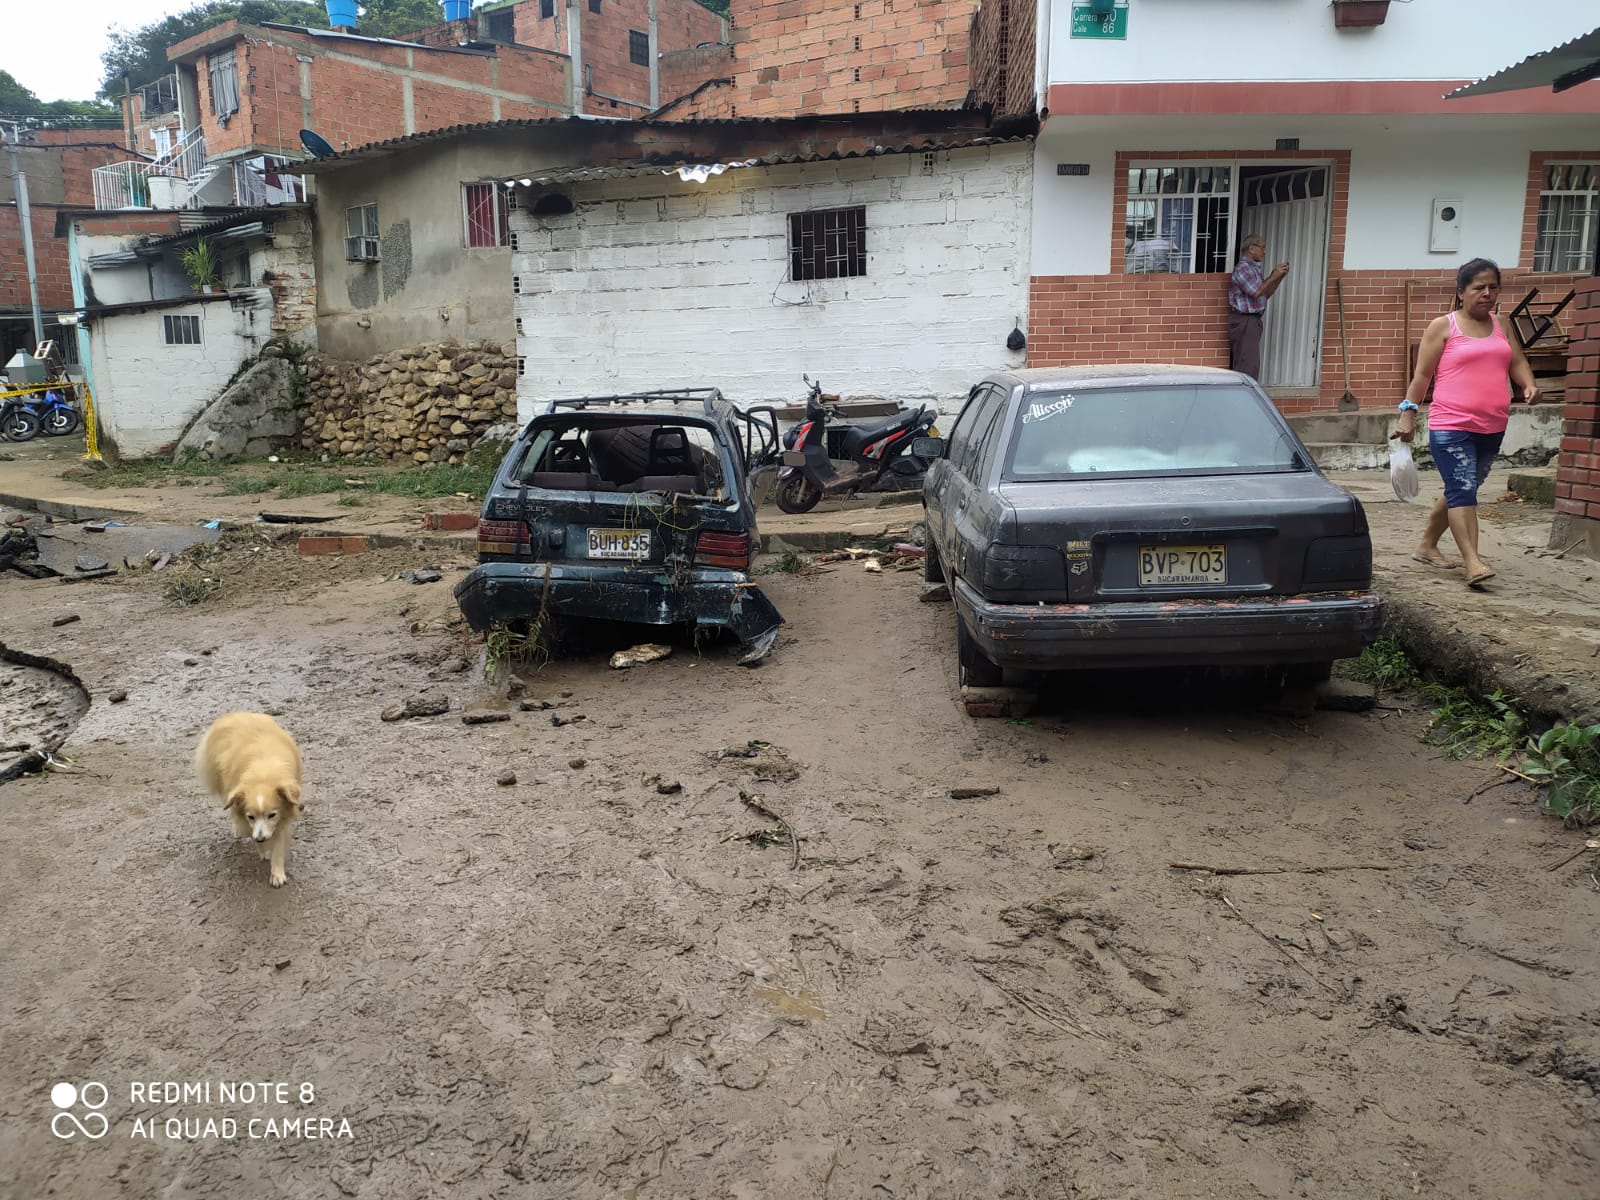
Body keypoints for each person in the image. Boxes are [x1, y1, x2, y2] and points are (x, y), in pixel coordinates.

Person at [1395, 257, 1539, 589]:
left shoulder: (1502, 325)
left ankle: (1426, 545)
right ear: (1461, 292)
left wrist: (1528, 384)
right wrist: (1407, 413)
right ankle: (1473, 562)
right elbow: (1422, 376)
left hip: (1492, 425)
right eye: (1479, 287)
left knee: (1464, 487)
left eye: (1493, 287)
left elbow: (1517, 361)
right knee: (1462, 488)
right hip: (1451, 424)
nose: (1487, 293)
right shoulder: (1443, 326)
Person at [1227, 234, 1289, 380]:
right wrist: (1273, 276)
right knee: (1248, 366)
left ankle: (1244, 392)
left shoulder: (1253, 269)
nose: (1264, 252)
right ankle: (1244, 393)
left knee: (1250, 363)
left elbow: (1265, 294)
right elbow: (1256, 292)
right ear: (1251, 248)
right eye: (1262, 247)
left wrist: (1278, 277)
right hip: (1245, 321)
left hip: (1252, 321)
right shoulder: (1243, 269)